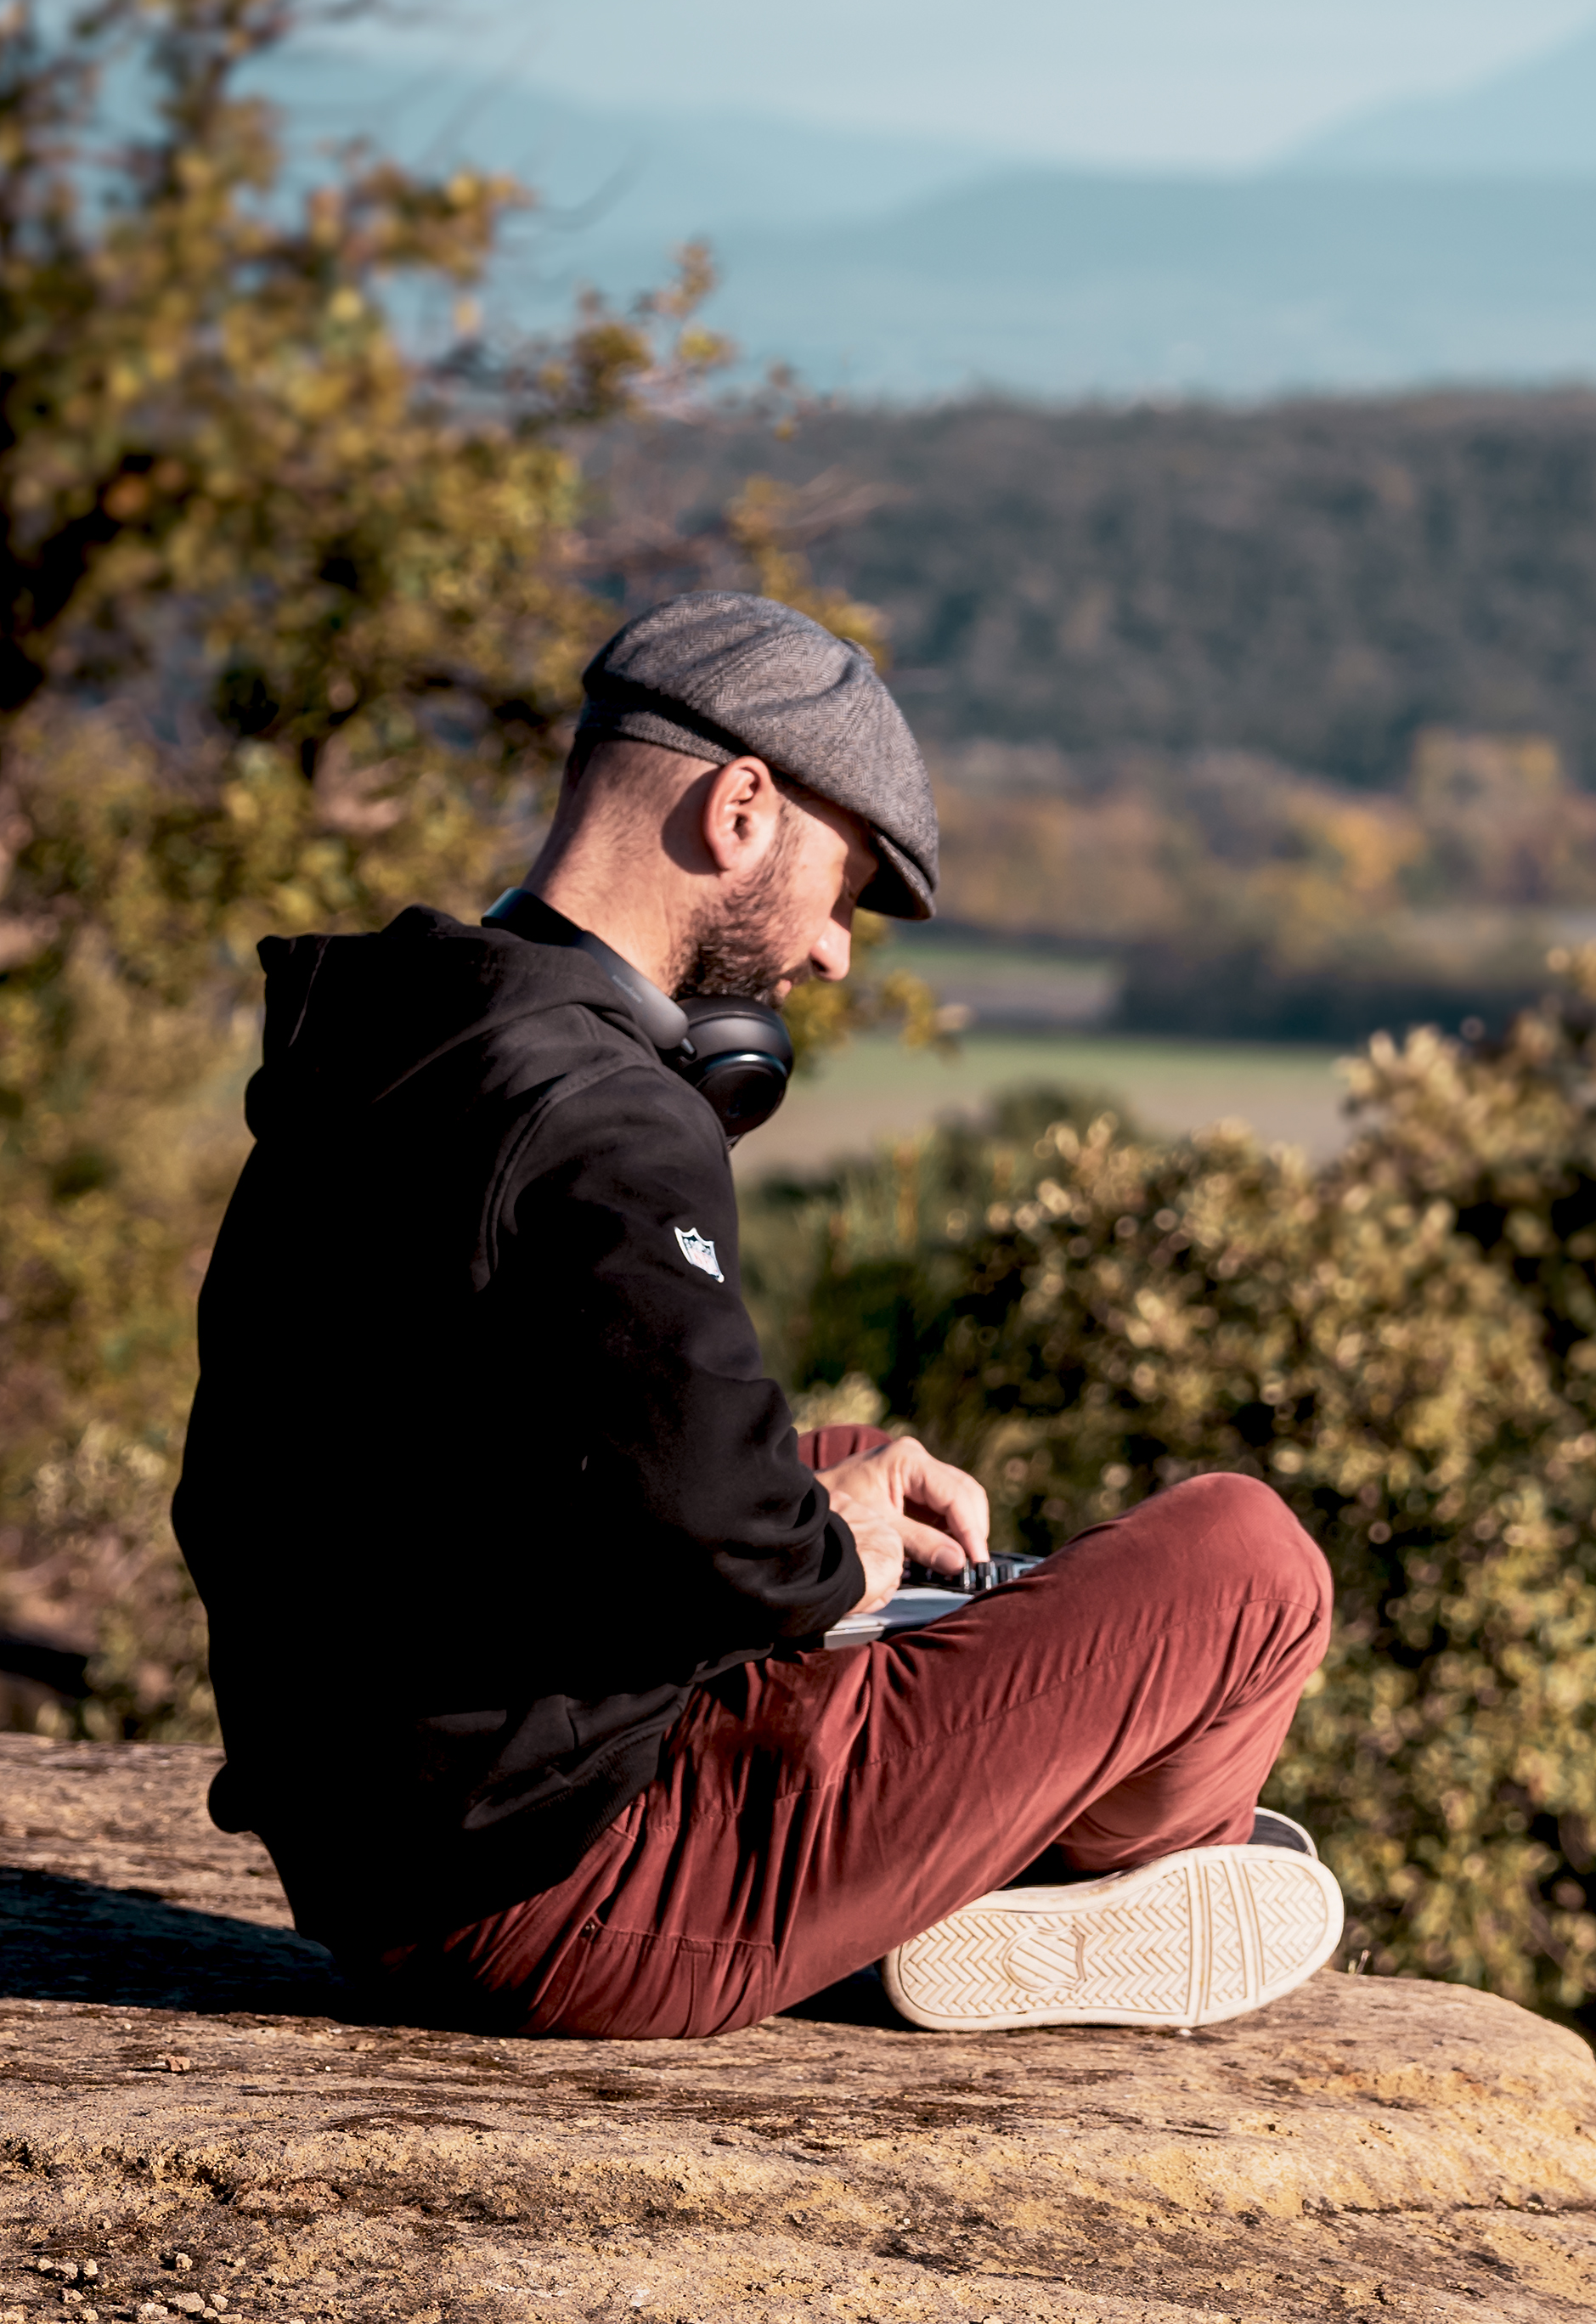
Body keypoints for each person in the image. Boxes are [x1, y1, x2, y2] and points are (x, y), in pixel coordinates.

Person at [175, 593, 1342, 2040]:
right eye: (841, 892)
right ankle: (1115, 1875)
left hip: (390, 1842)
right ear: (741, 808)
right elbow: (733, 1548)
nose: (836, 955)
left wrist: (808, 1497)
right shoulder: (611, 1117)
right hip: (570, 1888)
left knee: (841, 1452)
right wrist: (820, 1552)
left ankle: (1008, 1836)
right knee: (1248, 1558)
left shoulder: (395, 1035)